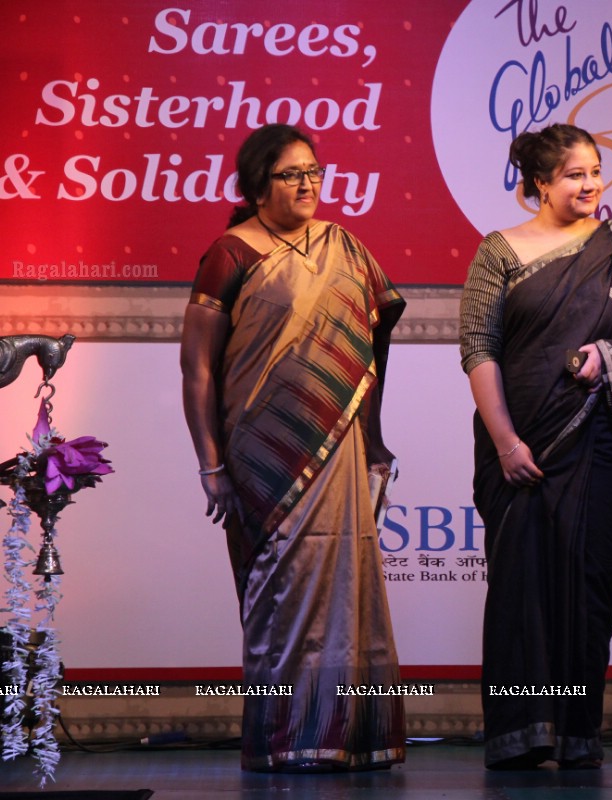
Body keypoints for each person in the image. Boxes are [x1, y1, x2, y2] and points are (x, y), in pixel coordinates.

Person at [459, 123, 612, 770]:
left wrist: (608, 353)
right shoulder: (499, 251)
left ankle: (575, 733)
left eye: (595, 171)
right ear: (540, 184)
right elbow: (478, 349)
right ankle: (519, 736)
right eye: (574, 174)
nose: (591, 183)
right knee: (520, 591)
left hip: (597, 444)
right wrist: (507, 442)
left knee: (588, 589)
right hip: (516, 450)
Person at [180, 123, 407, 772]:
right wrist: (212, 464)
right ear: (257, 186)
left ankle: (349, 736)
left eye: (314, 171)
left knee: (348, 592)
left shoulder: (345, 247)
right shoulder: (231, 254)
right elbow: (197, 369)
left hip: (340, 450)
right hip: (262, 461)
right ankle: (287, 738)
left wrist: (375, 438)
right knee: (281, 597)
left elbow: (373, 348)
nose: (308, 183)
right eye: (291, 174)